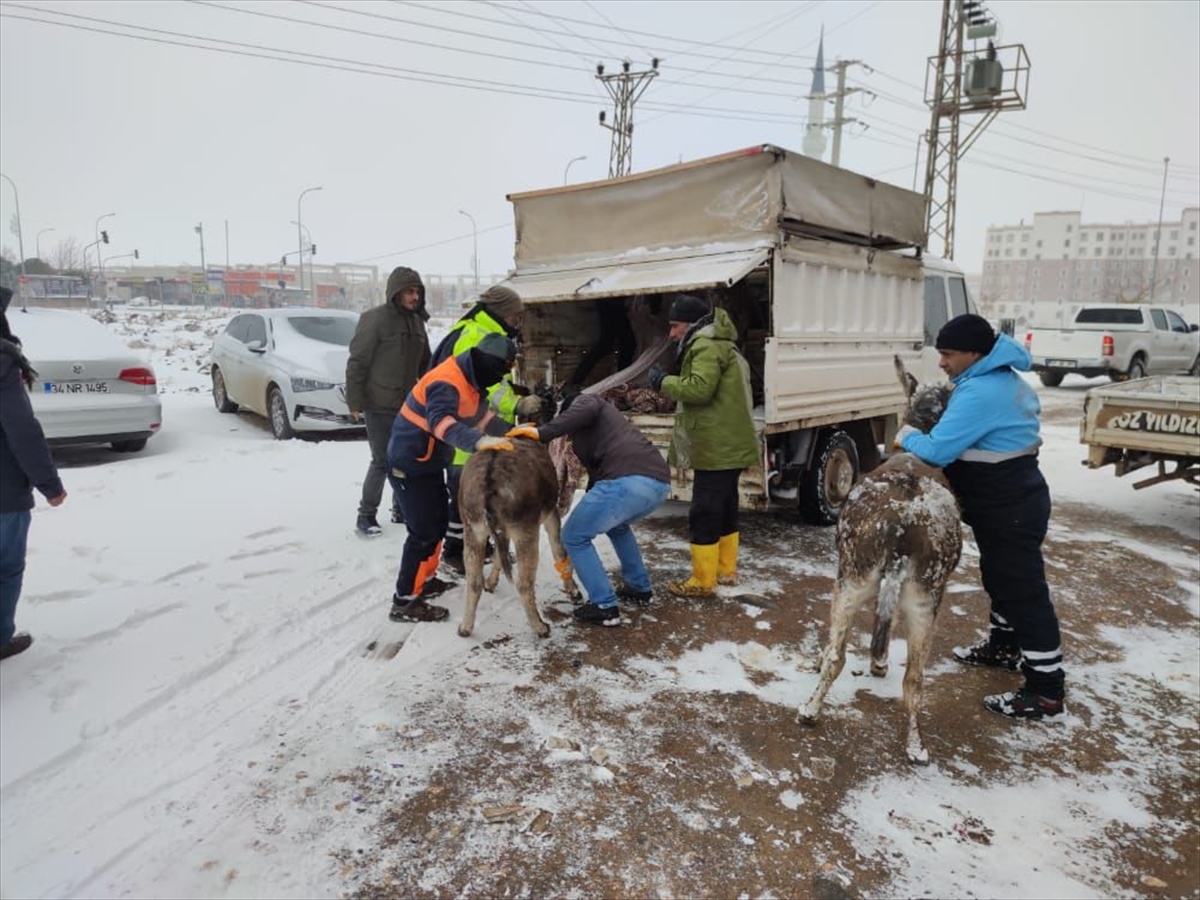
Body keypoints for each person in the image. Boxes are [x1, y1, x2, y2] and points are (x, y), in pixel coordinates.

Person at [898, 313, 1065, 720]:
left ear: (975, 353)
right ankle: (1004, 646)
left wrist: (906, 435)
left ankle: (1046, 692)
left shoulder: (983, 391)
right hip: (1007, 502)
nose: (942, 363)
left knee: (1024, 594)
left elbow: (936, 451)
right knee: (1000, 578)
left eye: (949, 354)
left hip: (1009, 505)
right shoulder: (995, 380)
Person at [506, 386, 670, 626]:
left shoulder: (589, 401)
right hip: (656, 484)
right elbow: (597, 469)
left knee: (574, 536)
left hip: (626, 481)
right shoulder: (600, 428)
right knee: (618, 527)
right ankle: (639, 587)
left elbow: (582, 410)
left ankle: (604, 605)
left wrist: (542, 433)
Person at [385, 332, 519, 623]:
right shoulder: (448, 380)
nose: (497, 381)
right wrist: (478, 442)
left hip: (429, 462)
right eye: (497, 373)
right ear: (486, 363)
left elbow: (479, 417)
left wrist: (510, 431)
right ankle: (404, 602)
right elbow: (441, 422)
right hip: (409, 462)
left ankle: (426, 579)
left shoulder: (471, 381)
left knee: (436, 525)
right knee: (423, 533)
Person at [647, 295, 758, 598]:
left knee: (705, 511)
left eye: (675, 326)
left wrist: (663, 382)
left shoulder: (706, 345)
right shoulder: (723, 343)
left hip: (717, 447)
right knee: (725, 507)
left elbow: (699, 389)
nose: (672, 334)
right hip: (729, 443)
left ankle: (702, 580)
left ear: (692, 324)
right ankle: (725, 570)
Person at [430, 284, 526, 575]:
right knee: (463, 495)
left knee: (476, 494)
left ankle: (477, 547)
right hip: (462, 434)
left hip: (473, 428)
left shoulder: (481, 331)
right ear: (502, 313)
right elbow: (487, 388)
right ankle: (456, 552)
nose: (517, 322)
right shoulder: (476, 335)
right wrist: (519, 405)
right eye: (515, 315)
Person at [0, 286, 67, 661]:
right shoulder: (3, 362)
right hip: (4, 493)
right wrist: (49, 484)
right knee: (6, 567)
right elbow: (21, 429)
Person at [346, 267, 431, 537]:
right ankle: (366, 516)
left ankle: (400, 509)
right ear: (395, 292)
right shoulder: (375, 319)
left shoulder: (417, 322)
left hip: (408, 405)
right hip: (379, 403)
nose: (414, 296)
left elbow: (425, 364)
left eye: (417, 291)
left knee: (405, 460)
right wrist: (355, 401)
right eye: (409, 291)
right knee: (382, 460)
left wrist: (433, 394)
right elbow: (357, 362)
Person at [565, 297, 636, 389]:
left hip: (609, 301)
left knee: (613, 345)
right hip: (612, 302)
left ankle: (576, 380)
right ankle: (622, 380)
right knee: (625, 344)